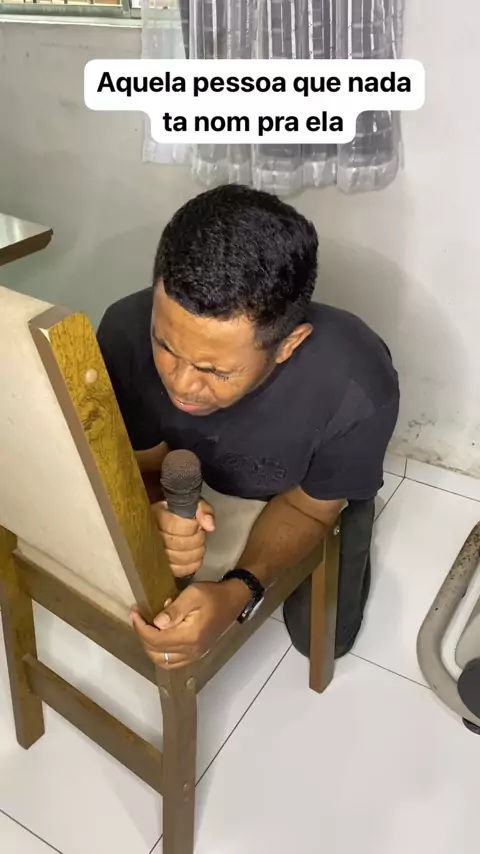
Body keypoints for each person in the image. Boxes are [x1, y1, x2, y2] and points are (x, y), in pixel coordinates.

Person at [97, 184, 399, 671]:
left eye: (216, 371)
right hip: (203, 475)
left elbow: (307, 509)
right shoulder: (124, 329)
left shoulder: (356, 383)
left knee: (324, 640)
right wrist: (161, 510)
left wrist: (237, 593)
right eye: (165, 346)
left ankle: (351, 491)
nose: (181, 383)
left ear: (288, 345)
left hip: (306, 492)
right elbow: (147, 464)